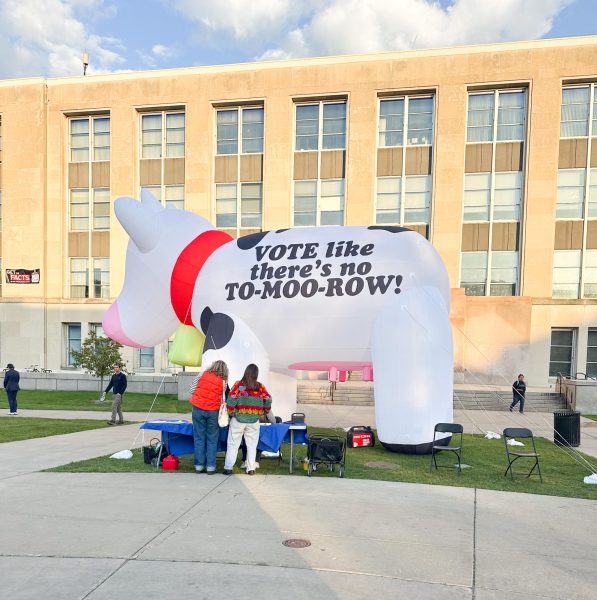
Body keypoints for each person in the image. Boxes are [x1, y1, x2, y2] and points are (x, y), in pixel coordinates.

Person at [223, 364, 272, 475]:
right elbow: (268, 399)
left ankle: (228, 468)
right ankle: (250, 468)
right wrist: (264, 411)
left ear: (245, 372)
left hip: (238, 419)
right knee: (252, 445)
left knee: (233, 444)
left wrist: (232, 413)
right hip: (254, 421)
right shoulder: (260, 387)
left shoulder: (239, 385)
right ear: (256, 374)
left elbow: (230, 401)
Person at [189, 360, 229, 474]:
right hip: (213, 411)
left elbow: (191, 389)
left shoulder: (202, 374)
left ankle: (199, 466)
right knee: (212, 439)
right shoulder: (224, 381)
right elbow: (222, 398)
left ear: (213, 366)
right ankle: (211, 467)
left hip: (197, 408)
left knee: (199, 438)